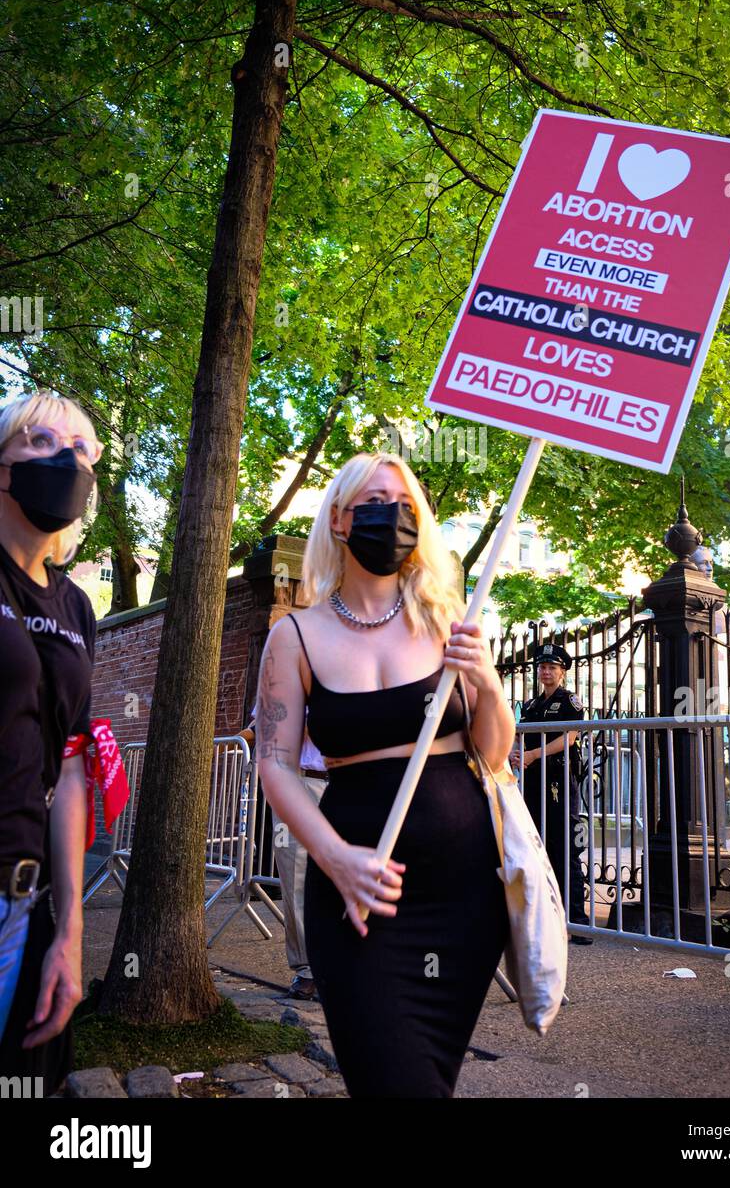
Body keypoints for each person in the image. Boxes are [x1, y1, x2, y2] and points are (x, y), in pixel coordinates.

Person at [253, 451, 512, 1098]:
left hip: (464, 895)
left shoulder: (448, 619)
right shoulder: (295, 637)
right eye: (373, 503)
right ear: (339, 521)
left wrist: (485, 681)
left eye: (404, 504)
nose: (391, 516)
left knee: (428, 1081)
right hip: (357, 895)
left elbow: (495, 753)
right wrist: (335, 858)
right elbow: (275, 765)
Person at [0, 390, 99, 1093]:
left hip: (21, 903)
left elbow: (69, 770)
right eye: (39, 441)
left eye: (80, 448)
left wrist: (70, 930)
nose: (63, 457)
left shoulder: (75, 606)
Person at [241, 704, 327, 1000]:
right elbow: (259, 723)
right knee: (295, 877)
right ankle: (308, 969)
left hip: (349, 784)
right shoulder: (280, 665)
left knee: (346, 880)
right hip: (295, 783)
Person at [514, 643, 592, 943]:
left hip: (558, 779)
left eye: (552, 667)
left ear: (562, 671)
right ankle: (546, 918)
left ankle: (578, 923)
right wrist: (516, 753)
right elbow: (519, 735)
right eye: (542, 667)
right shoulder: (532, 705)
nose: (546, 672)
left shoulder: (569, 701)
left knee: (565, 847)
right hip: (533, 779)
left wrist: (534, 754)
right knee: (537, 846)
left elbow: (570, 737)